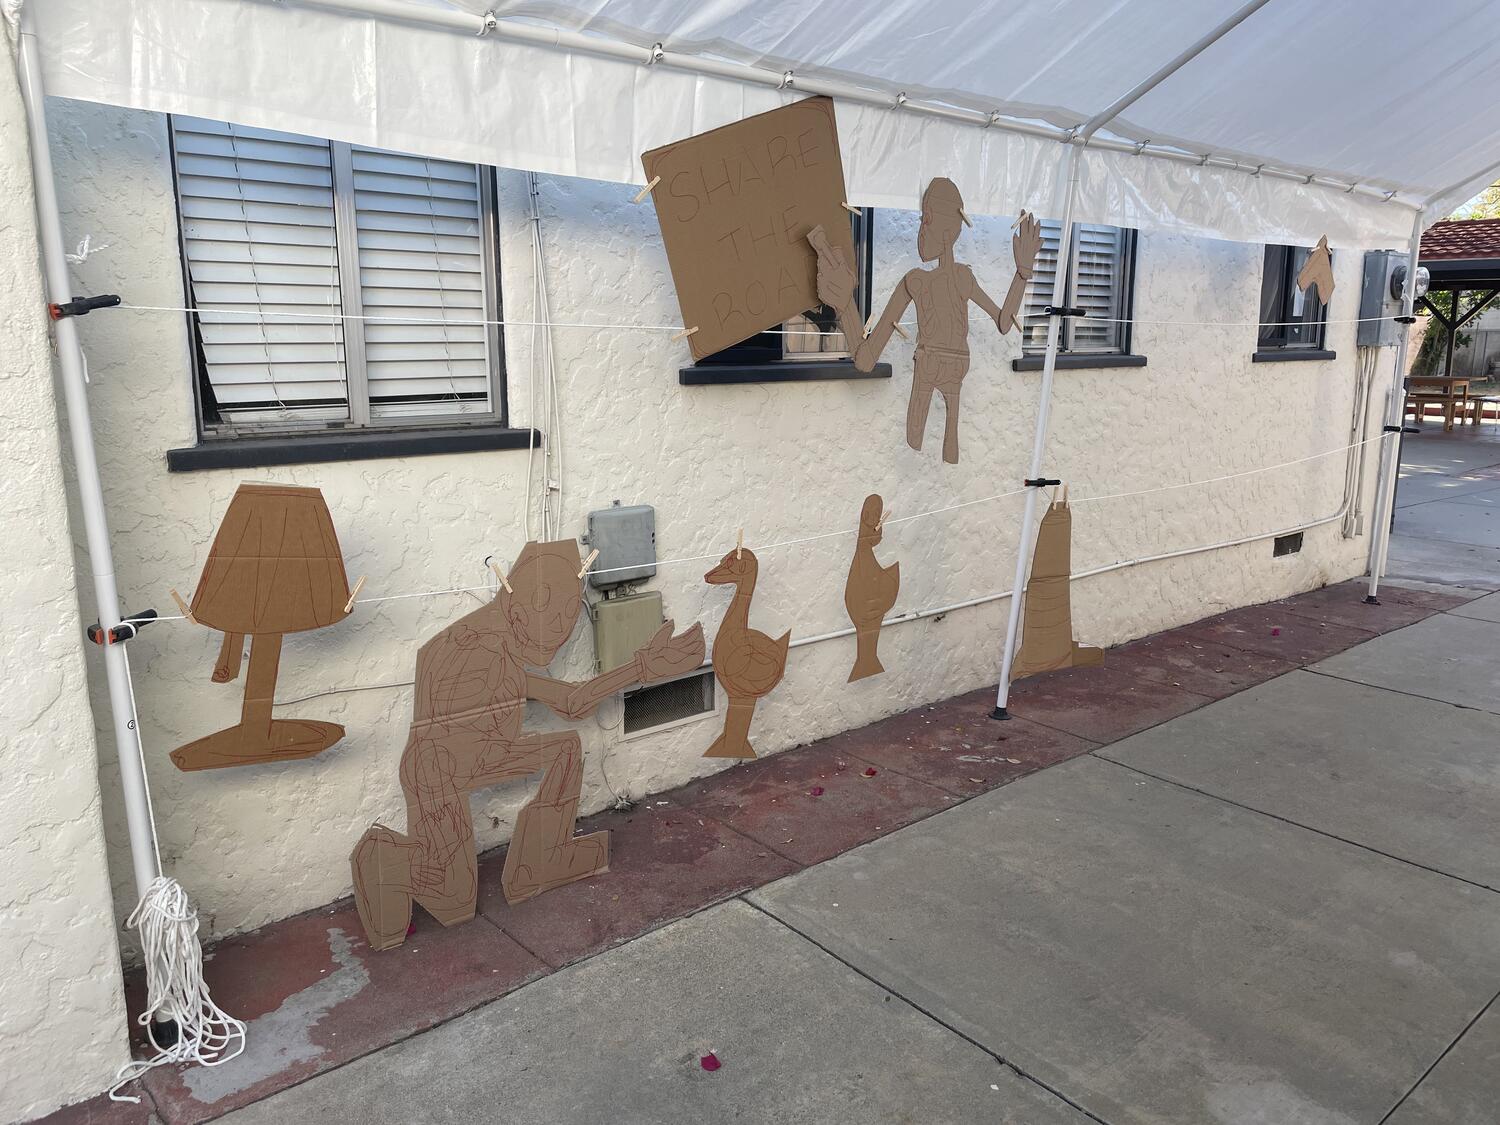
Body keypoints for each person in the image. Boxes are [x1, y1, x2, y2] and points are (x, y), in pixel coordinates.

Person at [351, 539, 704, 950]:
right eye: (555, 625)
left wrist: (641, 667)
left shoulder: (497, 643)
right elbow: (440, 739)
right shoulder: (471, 645)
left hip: (479, 756)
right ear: (522, 606)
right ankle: (385, 858)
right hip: (438, 774)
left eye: (569, 622)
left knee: (564, 748)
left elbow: (571, 703)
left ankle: (542, 857)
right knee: (453, 899)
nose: (560, 637)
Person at [809, 178, 1041, 464]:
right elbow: (865, 360)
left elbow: (1005, 322)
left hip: (946, 364)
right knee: (920, 441)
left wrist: (1022, 273)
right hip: (937, 363)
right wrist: (844, 306)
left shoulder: (953, 279)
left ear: (946, 231)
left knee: (941, 445)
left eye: (925, 220)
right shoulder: (918, 281)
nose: (920, 231)